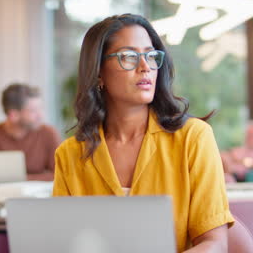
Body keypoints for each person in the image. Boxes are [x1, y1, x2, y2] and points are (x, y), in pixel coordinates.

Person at [52, 14, 234, 252]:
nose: (145, 66)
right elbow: (64, 244)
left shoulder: (194, 137)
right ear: (98, 72)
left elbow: (214, 244)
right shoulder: (70, 154)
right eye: (129, 56)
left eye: (150, 55)